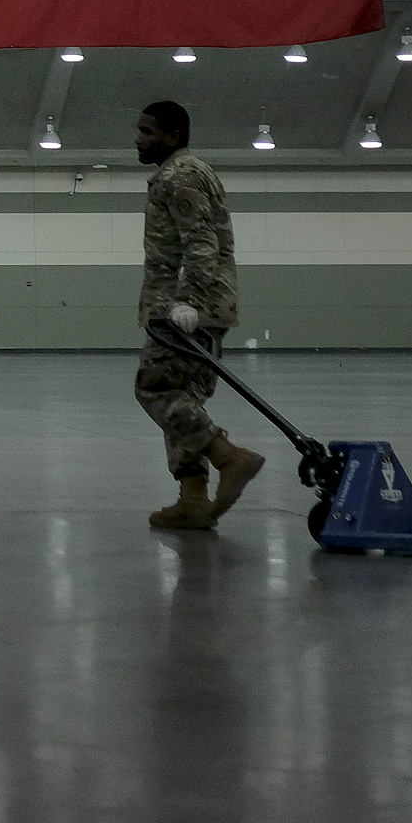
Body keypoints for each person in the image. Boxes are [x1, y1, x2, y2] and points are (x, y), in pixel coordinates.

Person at [133, 99, 265, 530]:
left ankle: (229, 457)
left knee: (154, 390)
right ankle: (192, 498)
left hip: (186, 310)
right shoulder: (180, 174)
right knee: (184, 401)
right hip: (196, 305)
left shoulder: (182, 175)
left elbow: (200, 242)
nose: (139, 138)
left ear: (173, 136)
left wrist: (187, 301)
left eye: (148, 131)